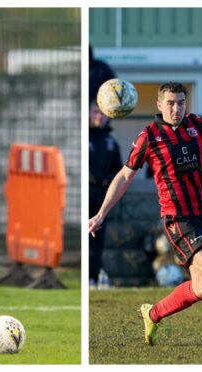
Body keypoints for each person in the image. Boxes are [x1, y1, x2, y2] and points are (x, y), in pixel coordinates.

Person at [89, 82, 202, 350]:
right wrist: (100, 214)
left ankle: (152, 313)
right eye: (170, 103)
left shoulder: (199, 126)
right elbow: (124, 176)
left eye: (180, 102)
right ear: (159, 105)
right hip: (178, 218)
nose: (175, 108)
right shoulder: (149, 136)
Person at [89, 101, 123, 288]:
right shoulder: (85, 138)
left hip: (101, 198)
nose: (99, 116)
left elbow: (119, 171)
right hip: (86, 196)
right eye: (95, 112)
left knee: (97, 240)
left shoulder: (111, 142)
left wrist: (107, 180)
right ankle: (87, 276)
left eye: (102, 113)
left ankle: (94, 277)